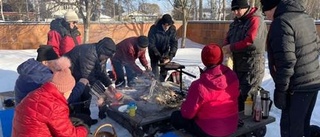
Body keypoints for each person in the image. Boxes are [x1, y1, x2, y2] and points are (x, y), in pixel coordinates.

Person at [260, 0, 320, 136]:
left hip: (296, 87)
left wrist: (281, 91)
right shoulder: (307, 18)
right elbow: (316, 47)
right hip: (313, 83)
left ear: (271, 8)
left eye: (266, 13)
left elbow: (286, 62)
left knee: (290, 130)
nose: (267, 17)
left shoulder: (281, 22)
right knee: (302, 127)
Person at [170, 43, 240, 137]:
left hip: (209, 131)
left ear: (204, 60)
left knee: (176, 117)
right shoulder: (232, 77)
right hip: (231, 125)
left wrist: (184, 105)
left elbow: (188, 114)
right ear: (221, 58)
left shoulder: (199, 85)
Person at [12, 61, 88, 137]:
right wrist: (84, 129)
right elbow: (69, 135)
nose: (71, 92)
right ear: (64, 91)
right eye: (70, 90)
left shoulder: (36, 94)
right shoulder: (55, 106)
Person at [223, 0, 268, 111]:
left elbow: (252, 42)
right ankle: (238, 122)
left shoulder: (255, 20)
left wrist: (231, 47)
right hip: (238, 65)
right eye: (234, 10)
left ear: (246, 7)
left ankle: (253, 127)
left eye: (238, 9)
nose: (236, 12)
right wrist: (225, 46)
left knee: (249, 97)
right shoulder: (236, 23)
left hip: (251, 67)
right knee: (237, 96)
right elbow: (228, 37)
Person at [64, 37, 123, 119]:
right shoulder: (89, 53)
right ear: (101, 51)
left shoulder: (102, 56)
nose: (106, 59)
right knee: (81, 95)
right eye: (105, 56)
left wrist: (109, 84)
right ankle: (79, 120)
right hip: (69, 72)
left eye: (108, 57)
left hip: (81, 73)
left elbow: (101, 72)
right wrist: (104, 92)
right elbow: (89, 77)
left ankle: (86, 119)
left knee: (89, 94)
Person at [14, 45, 88, 105]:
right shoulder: (44, 78)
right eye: (55, 62)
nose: (58, 64)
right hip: (36, 116)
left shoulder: (31, 70)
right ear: (45, 62)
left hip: (26, 113)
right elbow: (66, 98)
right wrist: (82, 84)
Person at [148, 14, 178, 82]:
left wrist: (170, 56)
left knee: (164, 69)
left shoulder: (172, 29)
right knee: (155, 69)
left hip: (165, 50)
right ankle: (155, 82)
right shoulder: (154, 28)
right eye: (165, 25)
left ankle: (161, 83)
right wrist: (158, 55)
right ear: (162, 23)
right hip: (154, 51)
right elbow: (151, 44)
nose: (166, 27)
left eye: (168, 25)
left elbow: (174, 43)